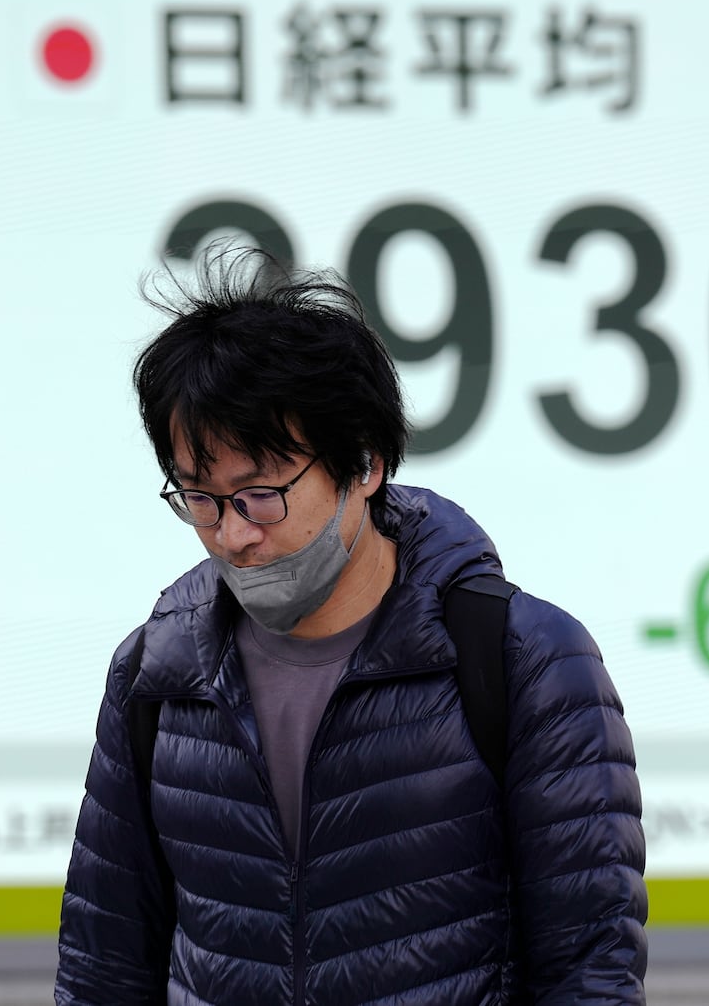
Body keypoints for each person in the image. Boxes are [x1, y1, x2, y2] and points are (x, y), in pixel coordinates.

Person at [54, 248, 647, 1005]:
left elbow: (589, 973)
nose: (232, 534)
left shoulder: (524, 660)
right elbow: (102, 967)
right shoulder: (156, 673)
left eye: (260, 494)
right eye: (199, 498)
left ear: (364, 464)